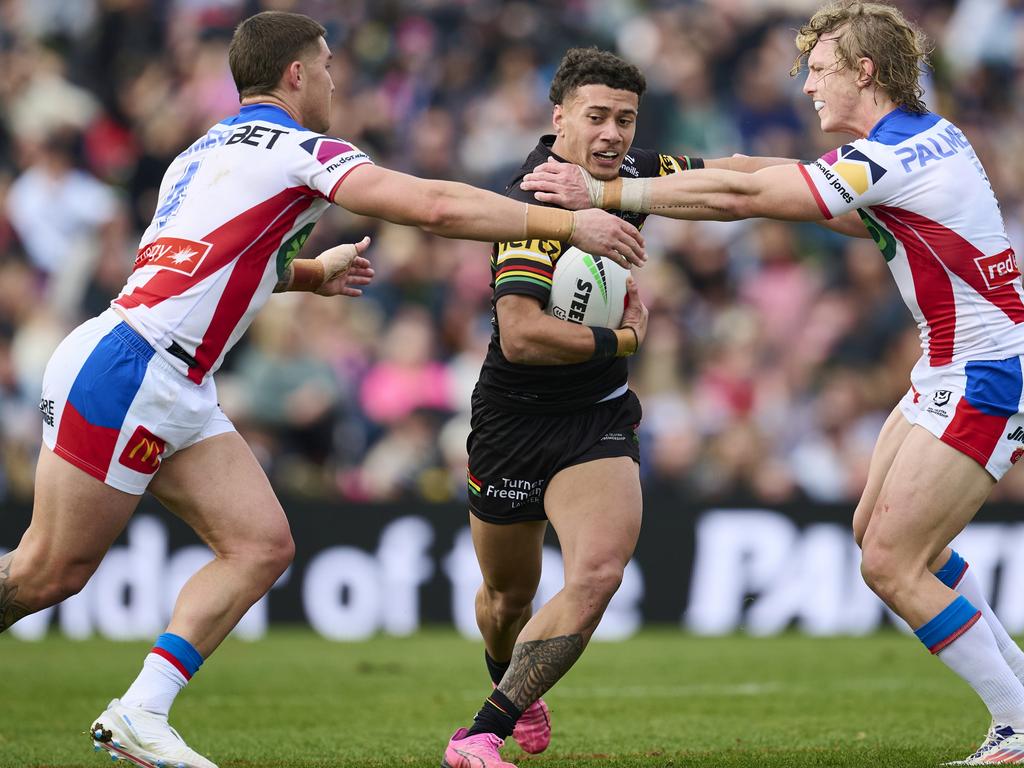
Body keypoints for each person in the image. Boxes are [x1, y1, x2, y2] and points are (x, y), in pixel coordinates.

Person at [0, 12, 644, 768]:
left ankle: (141, 711)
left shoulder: (201, 151)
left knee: (262, 546)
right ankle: (140, 710)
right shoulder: (306, 151)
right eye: (329, 67)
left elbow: (207, 261)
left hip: (168, 374)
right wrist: (567, 226)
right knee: (50, 571)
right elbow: (434, 206)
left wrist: (310, 272)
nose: (338, 81)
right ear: (298, 75)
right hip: (135, 367)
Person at [521, 2, 1024, 764]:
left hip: (988, 370)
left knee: (890, 561)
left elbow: (746, 199)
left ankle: (1017, 724)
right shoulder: (916, 142)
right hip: (955, 364)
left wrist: (601, 195)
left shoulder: (889, 157)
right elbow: (758, 175)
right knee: (881, 539)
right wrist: (655, 172)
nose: (809, 87)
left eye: (819, 71)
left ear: (865, 71)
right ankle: (1019, 695)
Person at [441, 47, 780, 768]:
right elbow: (525, 337)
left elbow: (733, 175)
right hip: (513, 421)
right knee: (506, 600)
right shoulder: (531, 200)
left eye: (626, 118)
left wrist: (823, 177)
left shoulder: (630, 176)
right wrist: (625, 336)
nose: (613, 133)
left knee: (596, 575)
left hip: (598, 417)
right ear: (559, 117)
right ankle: (511, 682)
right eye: (597, 116)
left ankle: (477, 735)